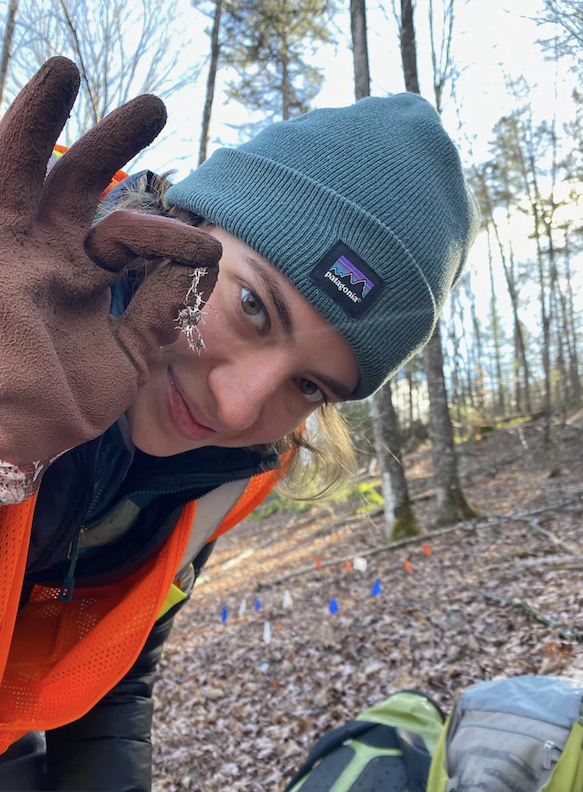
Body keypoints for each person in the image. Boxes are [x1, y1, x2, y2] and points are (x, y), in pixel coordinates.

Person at [0, 56, 479, 791]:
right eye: (252, 305)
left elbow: (113, 671)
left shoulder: (231, 471)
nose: (237, 408)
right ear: (178, 227)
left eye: (310, 385)